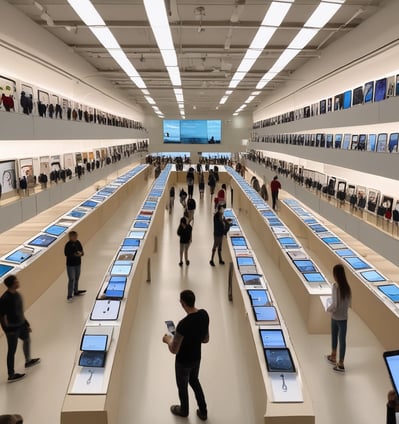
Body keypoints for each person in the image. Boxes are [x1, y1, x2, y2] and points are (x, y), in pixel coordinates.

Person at [162, 290, 209, 420]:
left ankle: (184, 410)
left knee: (182, 386)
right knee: (194, 381)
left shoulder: (183, 325)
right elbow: (206, 339)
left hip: (183, 362)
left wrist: (168, 339)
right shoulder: (204, 315)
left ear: (182, 303)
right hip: (196, 358)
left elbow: (174, 350)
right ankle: (203, 411)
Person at [0, 275, 40, 382]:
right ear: (12, 284)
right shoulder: (4, 299)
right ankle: (11, 374)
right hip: (12, 329)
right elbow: (2, 316)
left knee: (27, 340)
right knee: (12, 351)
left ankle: (28, 360)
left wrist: (26, 323)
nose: (18, 282)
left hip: (21, 325)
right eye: (16, 281)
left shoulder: (17, 295)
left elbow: (20, 311)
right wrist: (7, 330)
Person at [326, 264, 352, 372]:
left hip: (335, 317)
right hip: (344, 318)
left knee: (334, 336)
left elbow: (335, 304)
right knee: (342, 340)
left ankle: (333, 356)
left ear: (336, 274)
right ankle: (340, 362)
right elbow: (349, 304)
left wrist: (328, 309)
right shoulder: (347, 287)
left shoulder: (335, 286)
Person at [64, 231, 86, 302]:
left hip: (78, 264)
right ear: (70, 237)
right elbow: (67, 254)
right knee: (71, 279)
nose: (76, 237)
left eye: (76, 236)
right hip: (71, 266)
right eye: (74, 236)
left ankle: (75, 291)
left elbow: (82, 252)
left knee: (77, 278)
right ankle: (69, 296)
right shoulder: (67, 245)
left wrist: (81, 253)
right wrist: (76, 255)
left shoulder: (78, 242)